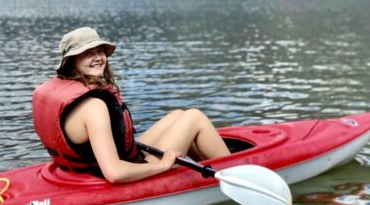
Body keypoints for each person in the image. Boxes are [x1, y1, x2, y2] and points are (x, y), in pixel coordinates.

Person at [32, 26, 230, 183]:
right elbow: (115, 173)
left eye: (100, 51)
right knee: (194, 116)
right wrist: (162, 166)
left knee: (179, 115)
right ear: (71, 62)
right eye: (87, 54)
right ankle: (235, 171)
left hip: (92, 169)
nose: (98, 58)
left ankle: (207, 169)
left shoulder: (75, 94)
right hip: (119, 172)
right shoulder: (93, 107)